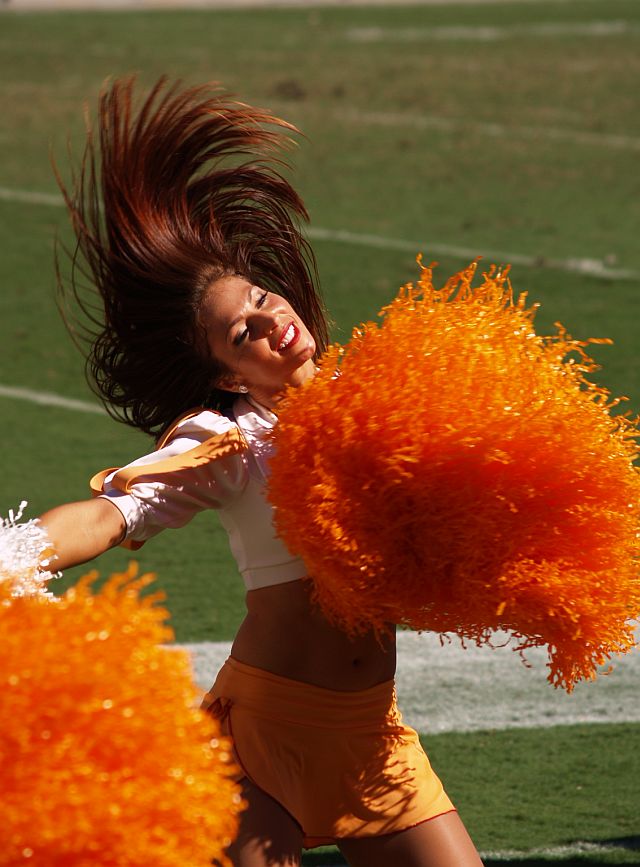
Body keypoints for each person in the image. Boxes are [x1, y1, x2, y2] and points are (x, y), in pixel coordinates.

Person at [39, 76, 484, 867]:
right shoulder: (231, 439)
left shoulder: (381, 408)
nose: (273, 320)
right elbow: (112, 513)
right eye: (245, 330)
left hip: (375, 737)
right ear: (231, 375)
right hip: (262, 745)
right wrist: (11, 556)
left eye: (265, 299)